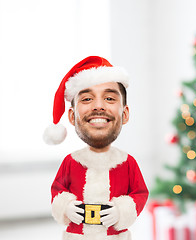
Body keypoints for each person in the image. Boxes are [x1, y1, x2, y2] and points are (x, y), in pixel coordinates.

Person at [43, 56, 149, 240]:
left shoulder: (127, 163)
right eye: (87, 99)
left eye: (109, 98)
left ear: (124, 114)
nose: (98, 106)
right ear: (71, 116)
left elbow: (139, 193)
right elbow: (57, 191)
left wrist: (121, 211)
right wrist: (66, 206)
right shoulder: (71, 162)